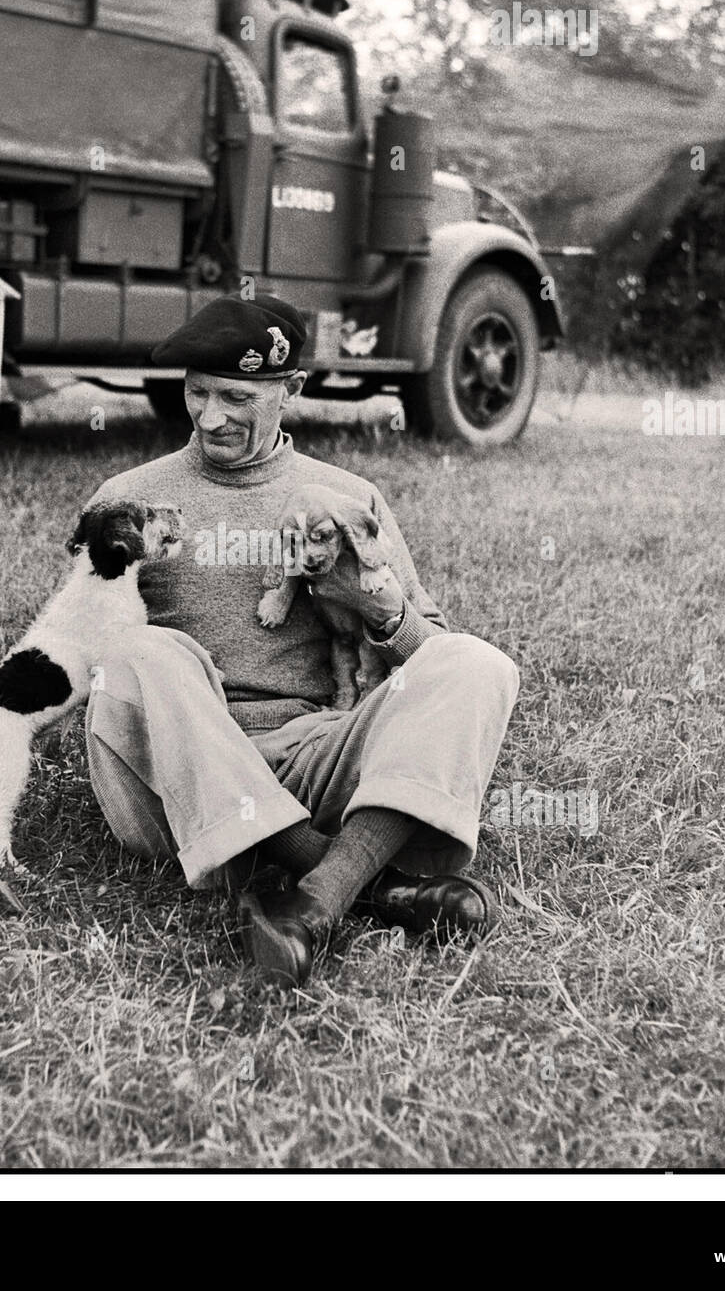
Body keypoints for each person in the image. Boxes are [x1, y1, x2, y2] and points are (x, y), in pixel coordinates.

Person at [83, 293, 520, 986]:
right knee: (139, 656)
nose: (209, 416)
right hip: (179, 768)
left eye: (234, 397)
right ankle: (351, 880)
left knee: (477, 664)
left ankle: (305, 902)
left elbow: (430, 656)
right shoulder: (128, 498)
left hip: (317, 756)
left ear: (290, 391)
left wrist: (380, 611)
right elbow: (77, 653)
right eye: (195, 393)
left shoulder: (347, 499)